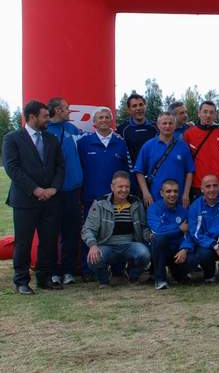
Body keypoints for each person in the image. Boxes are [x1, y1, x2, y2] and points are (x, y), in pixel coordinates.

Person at [3, 100, 65, 294]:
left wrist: (54, 188)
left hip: (50, 200)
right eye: (45, 116)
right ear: (32, 117)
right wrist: (35, 189)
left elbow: (60, 166)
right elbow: (12, 168)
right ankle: (21, 281)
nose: (49, 119)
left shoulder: (51, 139)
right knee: (24, 241)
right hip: (25, 200)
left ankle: (44, 277)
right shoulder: (12, 138)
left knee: (49, 240)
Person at [81, 171, 151, 287]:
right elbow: (87, 229)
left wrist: (151, 236)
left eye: (127, 187)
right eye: (120, 186)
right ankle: (104, 279)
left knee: (144, 253)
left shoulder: (136, 203)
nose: (124, 190)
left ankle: (132, 276)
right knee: (93, 258)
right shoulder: (100, 204)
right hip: (106, 246)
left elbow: (144, 227)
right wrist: (93, 245)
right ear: (112, 187)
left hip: (130, 245)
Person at [46, 97, 84, 285]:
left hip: (73, 189)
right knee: (52, 232)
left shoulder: (73, 130)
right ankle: (53, 270)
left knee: (71, 231)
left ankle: (68, 270)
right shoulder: (44, 131)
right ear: (57, 110)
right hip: (53, 191)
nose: (70, 111)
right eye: (67, 108)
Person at [179, 174, 219, 285]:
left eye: (215, 186)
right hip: (207, 241)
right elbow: (195, 233)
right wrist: (214, 245)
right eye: (208, 186)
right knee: (203, 254)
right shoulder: (195, 207)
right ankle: (209, 274)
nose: (212, 189)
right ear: (202, 189)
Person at [77, 108, 131, 216]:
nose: (104, 120)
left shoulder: (121, 142)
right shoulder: (83, 142)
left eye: (107, 117)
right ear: (94, 122)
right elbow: (78, 168)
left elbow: (128, 169)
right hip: (91, 197)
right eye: (100, 117)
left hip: (116, 197)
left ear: (111, 120)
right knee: (92, 230)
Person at [134, 112, 194, 208]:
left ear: (174, 125)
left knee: (180, 222)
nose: (167, 126)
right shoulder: (148, 146)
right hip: (155, 197)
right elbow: (139, 171)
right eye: (164, 123)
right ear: (158, 125)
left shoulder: (183, 146)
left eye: (170, 123)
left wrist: (186, 194)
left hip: (178, 197)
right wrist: (145, 193)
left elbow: (190, 171)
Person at [184, 101, 219, 197]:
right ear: (199, 113)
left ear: (215, 115)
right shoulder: (189, 134)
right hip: (198, 186)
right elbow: (185, 164)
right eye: (205, 112)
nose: (208, 115)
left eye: (211, 112)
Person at [146, 179, 189, 290]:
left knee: (182, 278)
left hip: (177, 251)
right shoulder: (153, 209)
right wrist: (178, 229)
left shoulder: (183, 211)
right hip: (159, 250)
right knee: (160, 239)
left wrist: (184, 248)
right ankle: (160, 279)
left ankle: (178, 273)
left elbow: (188, 233)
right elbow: (158, 231)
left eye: (175, 191)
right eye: (168, 191)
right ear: (161, 193)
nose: (172, 194)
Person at [117, 93, 157, 164]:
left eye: (141, 105)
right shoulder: (121, 129)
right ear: (129, 110)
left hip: (153, 171)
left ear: (145, 106)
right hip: (131, 172)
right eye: (134, 106)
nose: (138, 108)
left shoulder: (156, 127)